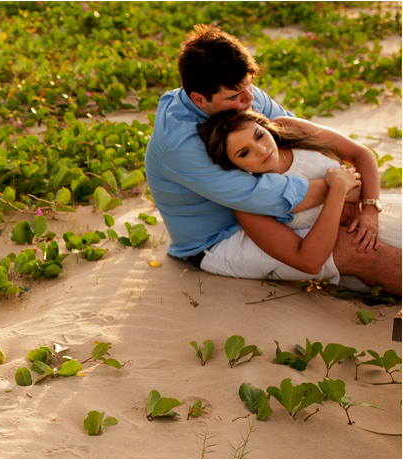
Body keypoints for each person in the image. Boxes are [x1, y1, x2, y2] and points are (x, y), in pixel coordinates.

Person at [145, 25, 397, 292]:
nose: (251, 99)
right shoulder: (181, 145)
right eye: (235, 96)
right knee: (356, 248)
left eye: (249, 86)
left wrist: (363, 200)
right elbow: (259, 196)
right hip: (221, 238)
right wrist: (341, 186)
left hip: (274, 213)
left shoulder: (239, 94)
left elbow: (292, 139)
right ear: (199, 99)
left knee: (372, 226)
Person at [197, 109, 401, 295]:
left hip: (377, 216)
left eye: (259, 135)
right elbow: (310, 263)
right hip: (358, 247)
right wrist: (337, 191)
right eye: (244, 152)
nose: (261, 150)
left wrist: (370, 209)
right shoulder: (248, 205)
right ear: (231, 165)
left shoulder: (289, 128)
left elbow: (361, 153)